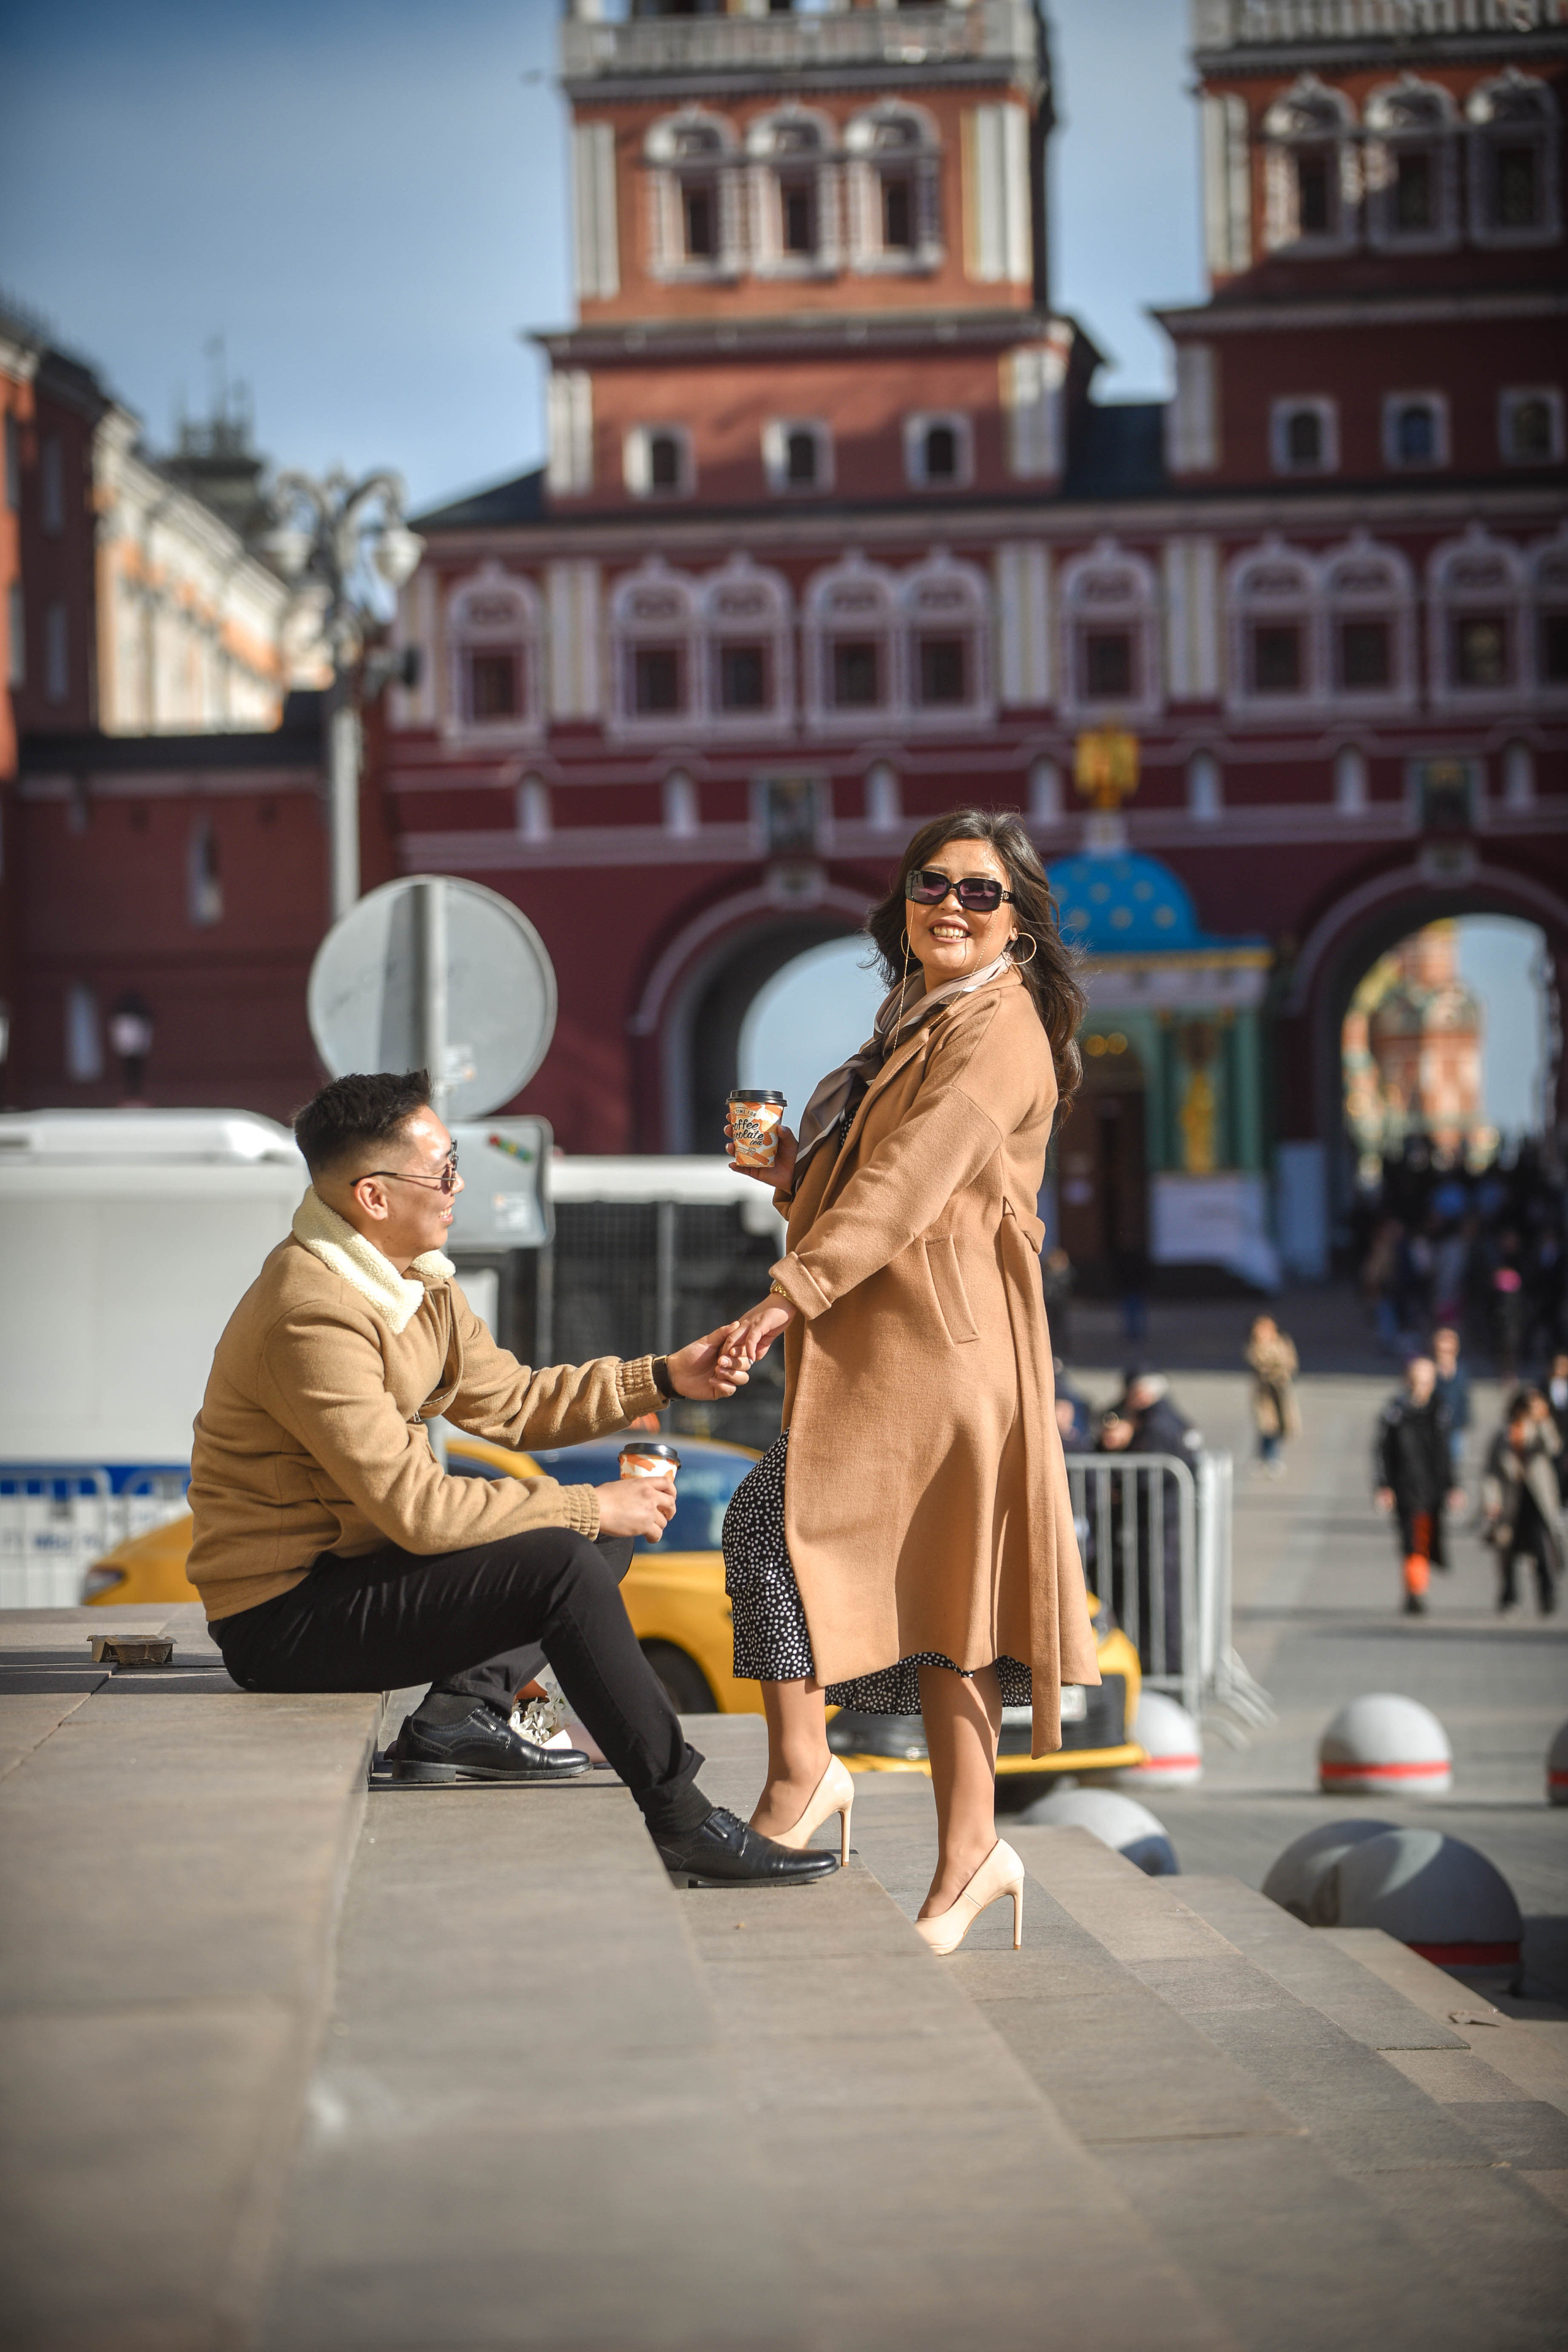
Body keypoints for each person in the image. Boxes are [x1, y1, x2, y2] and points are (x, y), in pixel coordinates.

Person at [189, 1069, 836, 1893]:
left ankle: (461, 1714)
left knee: (590, 1535)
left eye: (455, 1161)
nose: (459, 1187)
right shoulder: (311, 1312)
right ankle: (683, 1819)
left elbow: (514, 1403)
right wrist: (586, 1502)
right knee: (567, 1554)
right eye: (443, 1172)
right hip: (281, 1617)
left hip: (354, 1573)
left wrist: (666, 1377)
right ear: (374, 1198)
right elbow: (418, 1511)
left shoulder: (417, 1278)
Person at [715, 807, 1099, 1954]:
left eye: (981, 892)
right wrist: (795, 1174)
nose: (950, 905)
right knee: (942, 1603)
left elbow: (916, 1183)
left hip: (946, 1353)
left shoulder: (1002, 1029)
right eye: (932, 883)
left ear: (1019, 923)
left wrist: (787, 1293)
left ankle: (816, 1783)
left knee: (785, 1535)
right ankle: (961, 1847)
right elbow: (868, 1184)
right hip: (895, 1347)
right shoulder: (911, 1018)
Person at [1373, 1355, 1458, 1616]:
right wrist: (1384, 1486)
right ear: (1407, 1381)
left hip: (1432, 1488)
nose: (1422, 1386)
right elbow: (1382, 1451)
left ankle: (1416, 1588)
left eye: (1427, 1381)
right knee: (1411, 1541)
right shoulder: (1395, 1412)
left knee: (1425, 1540)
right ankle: (1416, 1591)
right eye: (1417, 1380)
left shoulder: (1439, 1411)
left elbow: (1445, 1453)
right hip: (1405, 1488)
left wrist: (1453, 1486)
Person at [1482, 1390, 1564, 1616]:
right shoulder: (1503, 1435)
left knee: (1542, 1551)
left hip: (1537, 1502)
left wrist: (1544, 1420)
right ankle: (1509, 1596)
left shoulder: (1539, 1432)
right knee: (1507, 1550)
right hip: (1511, 1502)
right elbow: (1491, 1472)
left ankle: (1547, 1596)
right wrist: (1491, 1501)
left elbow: (1554, 1448)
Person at [1245, 1315, 1300, 1478]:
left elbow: (1291, 1362)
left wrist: (1282, 1372)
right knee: (1267, 1428)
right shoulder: (1256, 1346)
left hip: (1281, 1392)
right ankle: (1268, 1458)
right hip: (1265, 1396)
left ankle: (1270, 1457)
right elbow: (1259, 1364)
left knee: (1279, 1428)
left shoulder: (1283, 1342)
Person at [1431, 1324, 1471, 1490]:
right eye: (1442, 1350)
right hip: (1434, 1426)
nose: (1446, 1355)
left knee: (1453, 1459)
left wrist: (1465, 1421)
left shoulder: (1461, 1371)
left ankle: (1448, 1487)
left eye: (1450, 1350)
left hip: (1455, 1425)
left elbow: (1464, 1398)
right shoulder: (1431, 1371)